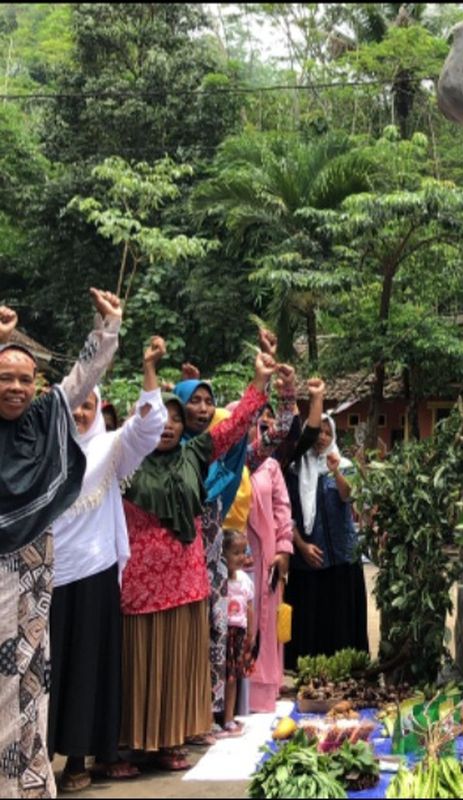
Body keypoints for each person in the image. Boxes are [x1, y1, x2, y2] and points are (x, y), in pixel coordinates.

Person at [119, 349, 274, 771]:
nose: (167, 426)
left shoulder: (194, 455)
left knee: (179, 663)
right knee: (138, 662)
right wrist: (148, 368)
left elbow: (236, 426)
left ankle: (171, 742)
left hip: (186, 582)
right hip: (137, 583)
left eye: (174, 419)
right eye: (158, 419)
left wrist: (259, 382)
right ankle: (132, 744)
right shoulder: (126, 461)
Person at [0, 292, 122, 798]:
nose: (16, 387)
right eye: (5, 376)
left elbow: (84, 378)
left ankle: (26, 782)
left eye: (25, 379)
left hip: (35, 568)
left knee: (29, 675)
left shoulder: (46, 417)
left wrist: (108, 326)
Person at [49, 338, 168, 792]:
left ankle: (77, 759)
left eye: (88, 405)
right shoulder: (43, 450)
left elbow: (148, 427)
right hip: (45, 575)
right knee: (46, 667)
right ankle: (36, 755)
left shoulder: (110, 449)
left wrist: (149, 369)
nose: (80, 413)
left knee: (84, 665)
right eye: (74, 405)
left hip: (94, 573)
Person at [246, 379, 324, 713]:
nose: (261, 430)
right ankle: (228, 699)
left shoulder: (270, 465)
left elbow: (282, 509)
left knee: (264, 623)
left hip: (265, 558)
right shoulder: (226, 462)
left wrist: (283, 549)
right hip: (231, 558)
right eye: (254, 423)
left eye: (266, 425)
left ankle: (262, 694)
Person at [285, 413, 369, 667]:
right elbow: (286, 513)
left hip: (343, 556)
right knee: (312, 617)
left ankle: (347, 668)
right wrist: (300, 545)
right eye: (317, 432)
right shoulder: (295, 469)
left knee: (342, 615)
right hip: (309, 558)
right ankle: (310, 671)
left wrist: (337, 472)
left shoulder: (343, 464)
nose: (321, 437)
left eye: (327, 432)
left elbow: (348, 497)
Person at [219, 530, 255, 738]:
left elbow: (250, 607)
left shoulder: (244, 580)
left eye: (244, 552)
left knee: (233, 678)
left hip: (238, 635)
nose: (241, 557)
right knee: (220, 677)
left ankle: (229, 718)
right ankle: (214, 716)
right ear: (223, 554)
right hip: (223, 635)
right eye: (235, 553)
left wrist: (251, 632)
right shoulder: (221, 580)